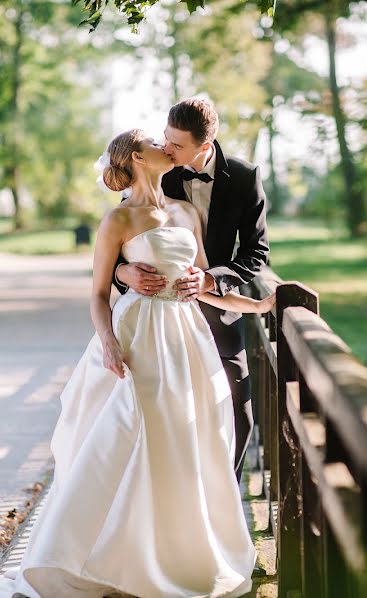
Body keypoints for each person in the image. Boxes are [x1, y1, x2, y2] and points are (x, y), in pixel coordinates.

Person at [0, 128, 274, 598]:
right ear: (139, 157)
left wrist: (258, 307)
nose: (167, 147)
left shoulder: (183, 213)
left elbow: (199, 283)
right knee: (128, 434)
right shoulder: (117, 220)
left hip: (184, 341)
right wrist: (108, 343)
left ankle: (171, 555)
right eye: (158, 144)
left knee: (180, 440)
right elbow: (98, 295)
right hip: (136, 337)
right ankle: (100, 557)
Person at [114, 99, 269, 483]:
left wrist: (213, 279)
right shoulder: (156, 170)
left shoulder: (245, 177)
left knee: (237, 407)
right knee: (160, 409)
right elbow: (119, 249)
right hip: (154, 319)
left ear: (205, 145)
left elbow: (256, 252)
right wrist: (124, 273)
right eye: (166, 139)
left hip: (216, 308)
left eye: (177, 145)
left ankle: (223, 503)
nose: (167, 149)